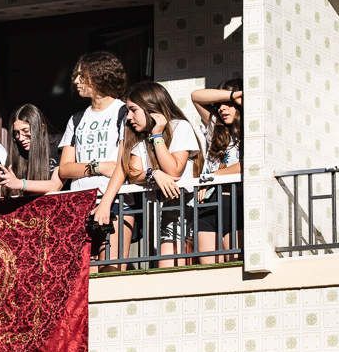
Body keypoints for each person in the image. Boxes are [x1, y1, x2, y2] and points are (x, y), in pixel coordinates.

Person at [94, 82, 203, 268]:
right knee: (165, 269)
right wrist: (154, 174)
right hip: (168, 213)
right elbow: (132, 171)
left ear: (151, 109)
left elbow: (174, 170)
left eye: (133, 110)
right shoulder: (141, 137)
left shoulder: (179, 127)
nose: (129, 117)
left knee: (176, 271)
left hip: (190, 211)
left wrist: (158, 135)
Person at [59, 51, 132, 267]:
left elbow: (122, 164)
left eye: (82, 76)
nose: (76, 81)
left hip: (116, 203)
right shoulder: (77, 119)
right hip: (79, 203)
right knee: (80, 274)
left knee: (112, 268)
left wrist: (106, 203)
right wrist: (98, 166)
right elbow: (64, 169)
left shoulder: (124, 112)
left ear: (99, 76)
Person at [191, 79, 243, 263]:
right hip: (209, 200)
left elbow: (246, 165)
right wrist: (230, 96)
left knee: (235, 264)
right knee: (208, 264)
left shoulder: (250, 130)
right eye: (219, 105)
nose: (222, 109)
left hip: (235, 199)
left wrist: (214, 176)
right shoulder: (216, 127)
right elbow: (196, 97)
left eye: (228, 105)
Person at [0, 103, 63, 197]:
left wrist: (20, 184)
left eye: (25, 131)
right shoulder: (17, 152)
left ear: (42, 128)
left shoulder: (57, 145)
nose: (20, 138)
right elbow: (13, 193)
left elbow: (55, 186)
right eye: (16, 133)